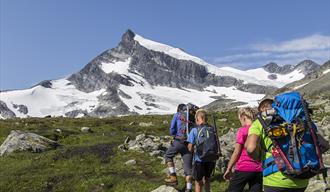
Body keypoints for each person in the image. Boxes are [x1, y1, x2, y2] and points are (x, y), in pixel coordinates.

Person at [245, 98, 309, 192]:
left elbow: (251, 148)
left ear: (262, 109)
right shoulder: (294, 120)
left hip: (275, 180)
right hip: (302, 179)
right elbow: (322, 144)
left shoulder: (260, 121)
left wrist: (257, 157)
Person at [224, 107, 262, 192]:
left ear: (243, 117)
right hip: (259, 169)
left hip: (244, 167)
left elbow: (237, 152)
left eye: (240, 120)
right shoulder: (259, 129)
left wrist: (229, 168)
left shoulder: (243, 130)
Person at [164, 104, 193, 192]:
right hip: (189, 144)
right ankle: (188, 188)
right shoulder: (192, 117)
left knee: (168, 155)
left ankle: (173, 177)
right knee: (188, 168)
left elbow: (172, 129)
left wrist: (174, 135)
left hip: (178, 141)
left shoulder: (177, 115)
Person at [187, 109, 217, 192]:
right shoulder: (212, 129)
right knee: (207, 179)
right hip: (211, 159)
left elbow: (190, 147)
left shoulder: (194, 130)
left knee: (198, 182)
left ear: (197, 119)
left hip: (199, 159)